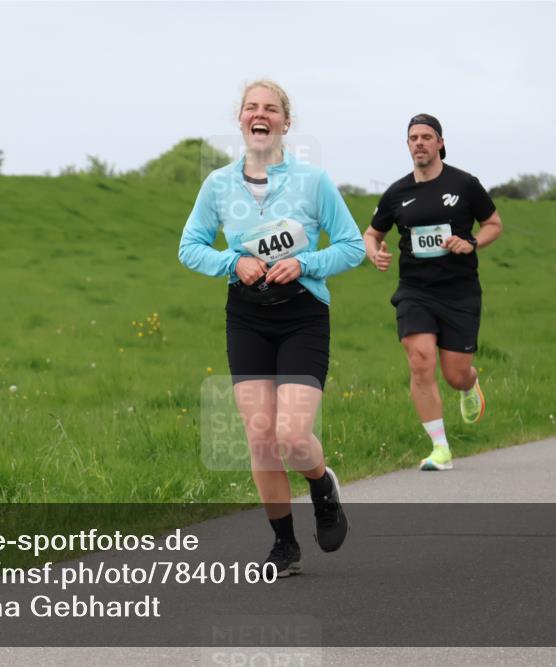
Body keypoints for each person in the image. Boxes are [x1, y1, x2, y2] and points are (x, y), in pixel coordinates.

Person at [178, 80, 365, 576]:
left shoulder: (313, 181)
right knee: (261, 436)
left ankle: (321, 482)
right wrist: (230, 264)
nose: (259, 115)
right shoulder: (217, 184)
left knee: (291, 435)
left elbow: (351, 246)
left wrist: (304, 264)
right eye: (250, 108)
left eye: (270, 109)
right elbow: (189, 246)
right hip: (247, 315)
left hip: (302, 313)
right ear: (240, 120)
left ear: (286, 122)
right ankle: (284, 544)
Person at [364, 114, 503, 471]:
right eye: (413, 138)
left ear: (440, 142)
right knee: (420, 359)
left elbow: (494, 224)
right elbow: (372, 233)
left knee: (455, 375)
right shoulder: (397, 192)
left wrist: (471, 243)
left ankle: (470, 386)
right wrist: (374, 252)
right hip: (415, 291)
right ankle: (440, 449)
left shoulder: (465, 184)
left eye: (427, 137)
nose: (419, 143)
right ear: (408, 144)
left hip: (459, 291)